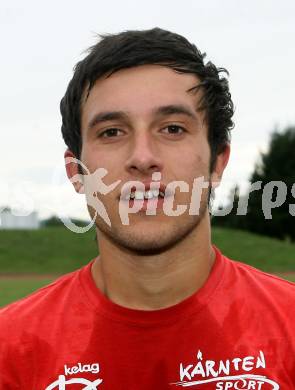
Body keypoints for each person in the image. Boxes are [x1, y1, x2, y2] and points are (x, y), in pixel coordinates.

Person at [0, 28, 294, 390]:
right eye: (111, 132)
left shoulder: (289, 331)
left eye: (172, 128)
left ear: (217, 162)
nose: (142, 157)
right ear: (76, 172)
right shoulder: (10, 350)